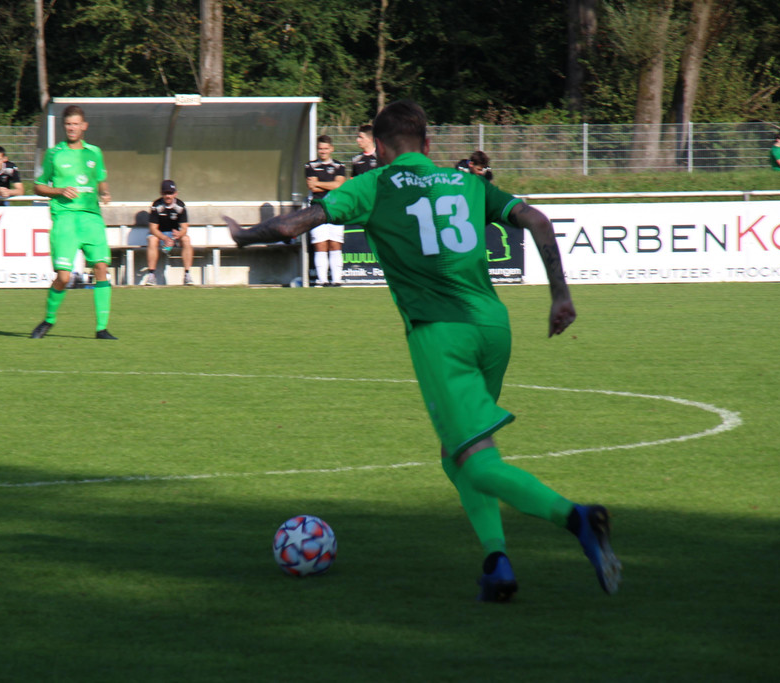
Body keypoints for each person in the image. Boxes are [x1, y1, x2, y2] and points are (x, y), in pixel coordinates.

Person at [225, 99, 621, 602]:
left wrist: (244, 235)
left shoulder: (375, 184)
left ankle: (577, 519)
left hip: (441, 334)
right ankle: (496, 562)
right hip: (493, 328)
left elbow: (290, 226)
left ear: (380, 149)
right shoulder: (466, 181)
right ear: (428, 144)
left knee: (473, 460)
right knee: (459, 451)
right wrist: (561, 296)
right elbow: (538, 221)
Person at [30, 105, 117, 340]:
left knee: (101, 267)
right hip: (65, 219)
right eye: (68, 124)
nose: (72, 128)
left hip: (91, 218)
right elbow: (38, 186)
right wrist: (59, 190)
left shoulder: (94, 153)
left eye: (76, 124)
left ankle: (101, 328)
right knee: (64, 277)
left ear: (84, 126)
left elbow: (101, 179)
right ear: (64, 127)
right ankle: (49, 319)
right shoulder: (54, 153)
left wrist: (105, 192)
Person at [305, 134, 347, 286]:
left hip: (336, 208)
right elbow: (312, 187)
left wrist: (319, 184)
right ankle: (322, 280)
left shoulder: (339, 166)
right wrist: (330, 184)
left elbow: (339, 185)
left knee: (335, 244)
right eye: (320, 148)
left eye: (326, 148)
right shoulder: (310, 166)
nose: (323, 151)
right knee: (320, 244)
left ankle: (336, 280)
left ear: (331, 149)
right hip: (317, 208)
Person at [141, 179, 194, 286]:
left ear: (175, 193)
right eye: (165, 193)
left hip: (175, 236)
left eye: (170, 193)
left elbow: (184, 228)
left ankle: (187, 274)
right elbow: (153, 228)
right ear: (161, 193)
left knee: (186, 239)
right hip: (160, 235)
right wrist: (165, 238)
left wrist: (178, 235)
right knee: (152, 240)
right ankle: (151, 275)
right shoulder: (156, 205)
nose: (168, 196)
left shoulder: (180, 206)